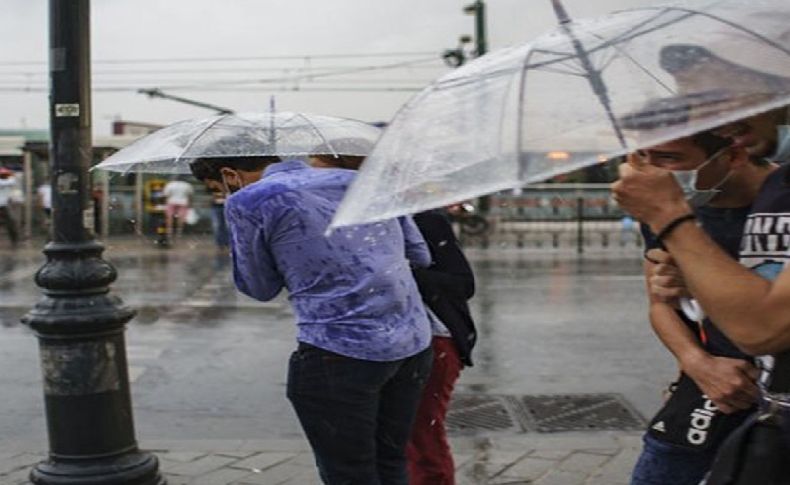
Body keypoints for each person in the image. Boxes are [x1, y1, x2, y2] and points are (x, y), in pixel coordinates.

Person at [189, 155, 434, 485]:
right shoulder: (362, 182)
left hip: (339, 349)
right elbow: (421, 254)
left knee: (348, 471)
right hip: (412, 343)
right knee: (390, 459)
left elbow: (259, 287)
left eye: (218, 189)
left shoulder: (251, 199)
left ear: (230, 175)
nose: (223, 196)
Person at [613, 115, 790, 483]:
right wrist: (697, 363)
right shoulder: (665, 206)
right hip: (715, 381)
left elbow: (766, 320)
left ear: (734, 154)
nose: (651, 171)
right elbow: (660, 304)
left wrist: (698, 278)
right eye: (641, 156)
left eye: (668, 158)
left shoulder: (780, 196)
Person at [309, 153, 479, 485]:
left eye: (319, 169)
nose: (312, 179)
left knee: (420, 437)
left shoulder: (419, 219)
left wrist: (400, 269)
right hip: (371, 342)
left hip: (432, 338)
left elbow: (462, 284)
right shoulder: (339, 224)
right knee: (378, 440)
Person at [162, 177, 194, 241]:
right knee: (181, 217)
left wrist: (165, 203)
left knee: (169, 217)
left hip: (171, 202)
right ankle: (179, 232)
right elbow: (190, 195)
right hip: (183, 202)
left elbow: (166, 194)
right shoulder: (187, 185)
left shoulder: (170, 184)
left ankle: (169, 231)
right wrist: (190, 204)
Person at [0, 168, 20, 247]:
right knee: (10, 222)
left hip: (4, 205)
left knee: (10, 223)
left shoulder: (7, 182)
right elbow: (12, 181)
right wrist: (12, 175)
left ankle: (14, 240)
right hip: (4, 205)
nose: (5, 176)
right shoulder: (4, 182)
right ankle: (14, 239)